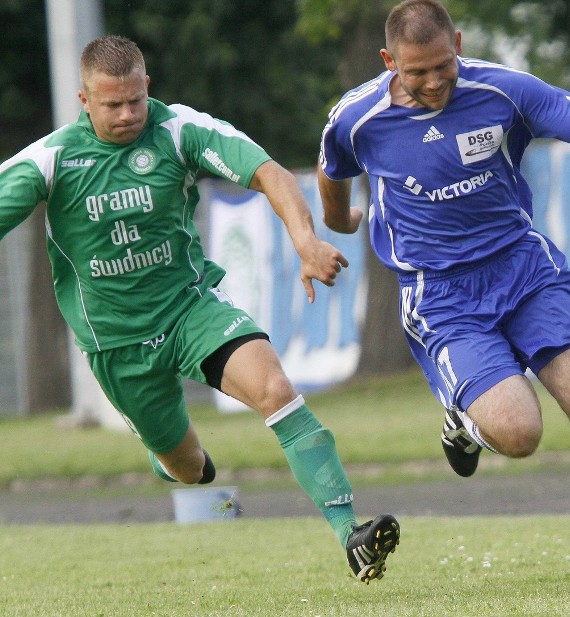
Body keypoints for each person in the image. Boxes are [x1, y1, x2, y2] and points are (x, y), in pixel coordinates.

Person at [0, 35, 398, 584]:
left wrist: (306, 243)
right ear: (83, 100)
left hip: (191, 310)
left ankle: (350, 533)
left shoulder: (179, 129)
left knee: (276, 390)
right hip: (117, 346)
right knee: (193, 471)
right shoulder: (52, 160)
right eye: (111, 105)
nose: (126, 115)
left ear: (148, 88)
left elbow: (269, 173)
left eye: (135, 100)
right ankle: (165, 456)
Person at [317, 0, 570, 585]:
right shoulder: (358, 117)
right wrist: (340, 221)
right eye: (415, 71)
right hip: (442, 295)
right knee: (520, 435)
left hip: (525, 270)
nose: (432, 83)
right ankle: (465, 423)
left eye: (442, 66)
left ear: (458, 41)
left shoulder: (503, 91)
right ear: (388, 60)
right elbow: (332, 165)